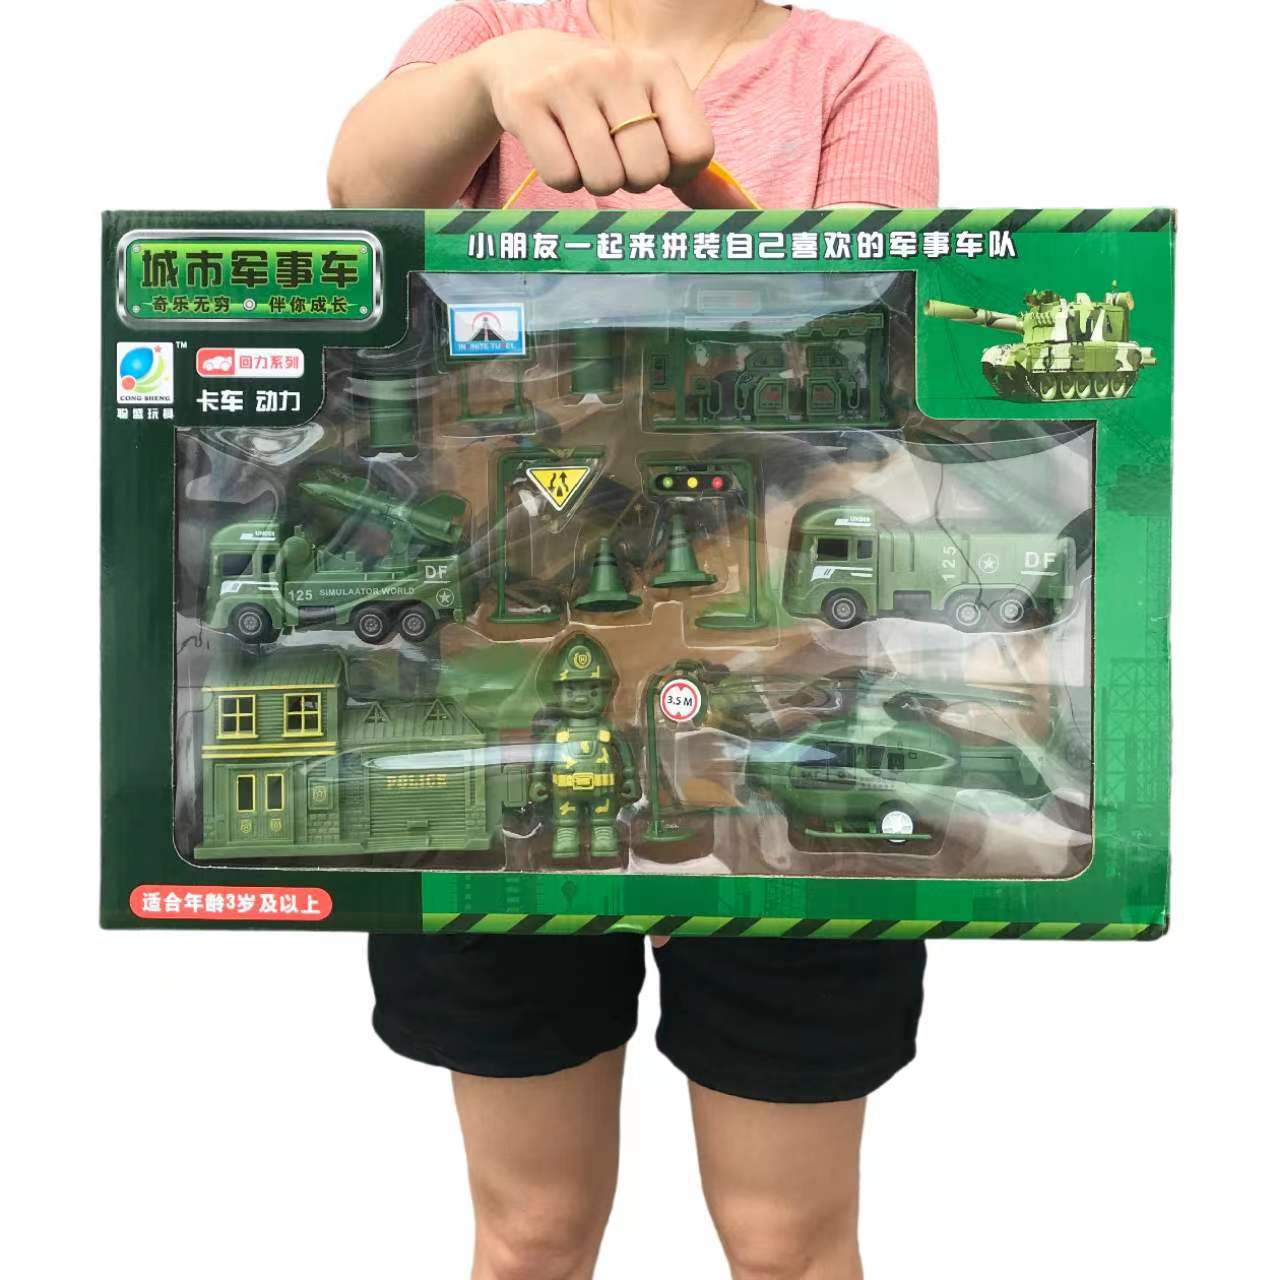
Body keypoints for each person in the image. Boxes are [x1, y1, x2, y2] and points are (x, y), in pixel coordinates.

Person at [329, 4, 936, 1277]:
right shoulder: (494, 25)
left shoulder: (857, 72)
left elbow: (879, 354)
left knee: (783, 1237)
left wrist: (706, 201)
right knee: (531, 1229)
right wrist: (494, 78)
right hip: (500, 710)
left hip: (779, 718)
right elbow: (361, 196)